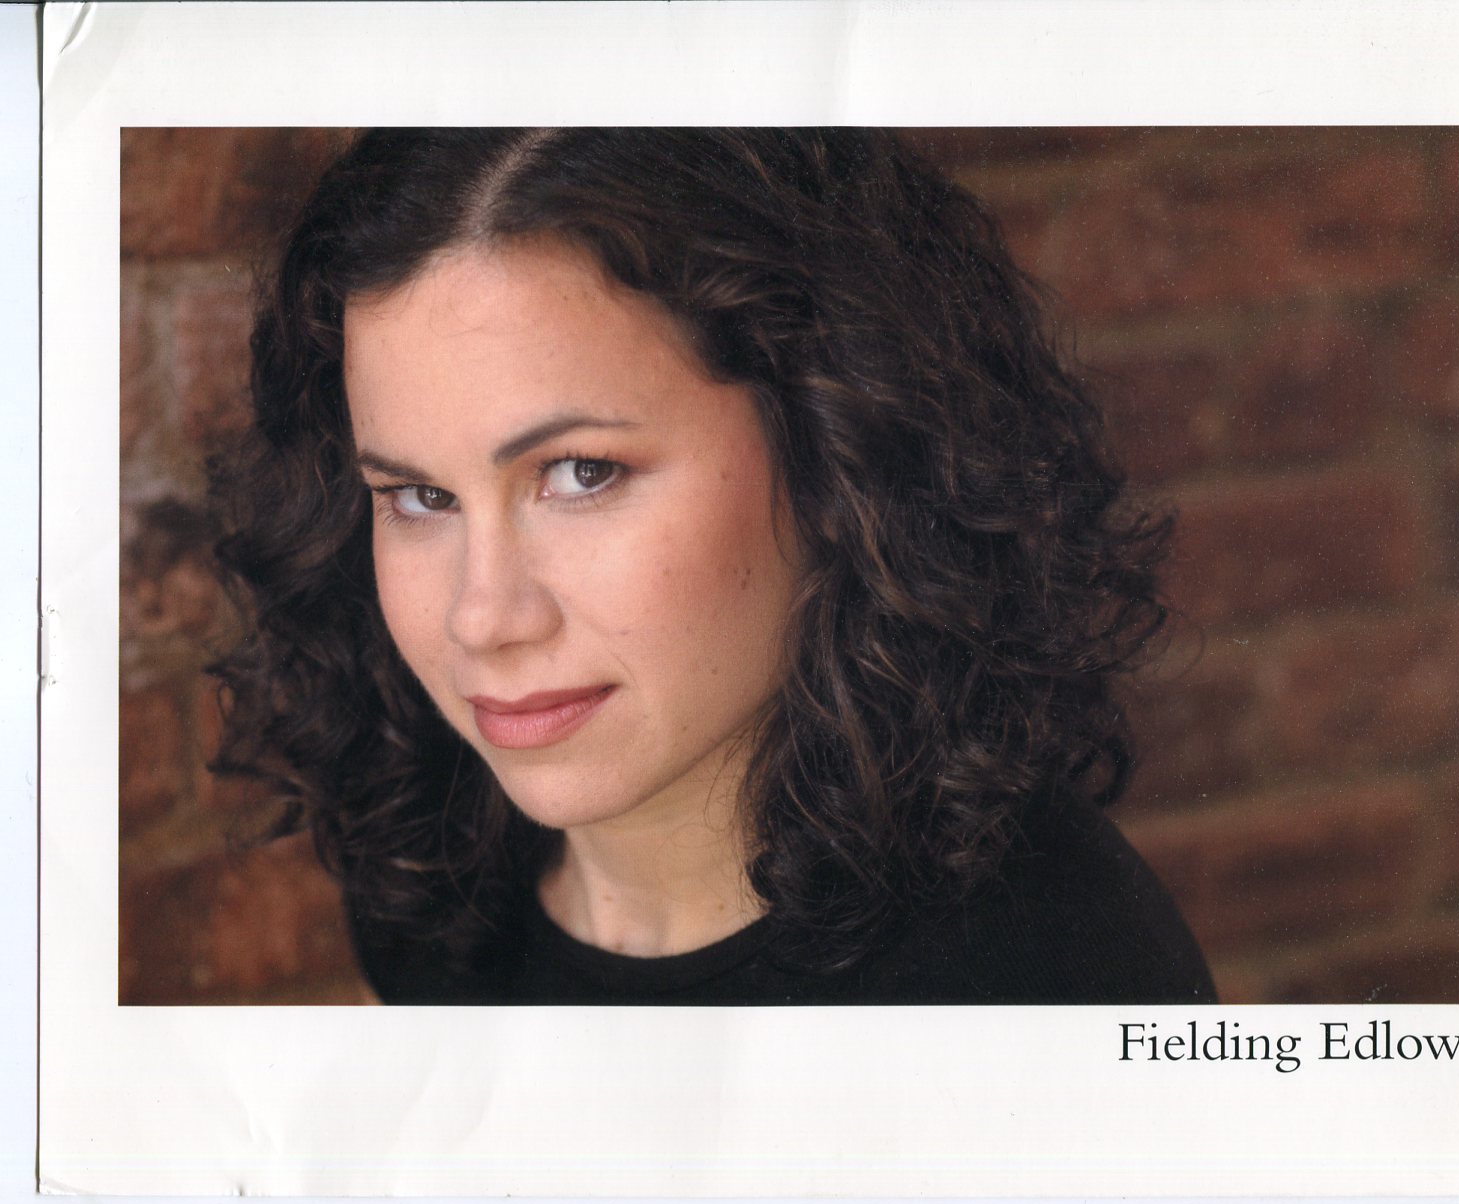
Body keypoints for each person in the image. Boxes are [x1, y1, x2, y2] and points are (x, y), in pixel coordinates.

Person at [208, 127, 1216, 1006]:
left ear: (836, 445)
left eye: (583, 473)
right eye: (419, 498)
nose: (481, 617)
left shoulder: (1038, 979)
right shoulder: (430, 894)